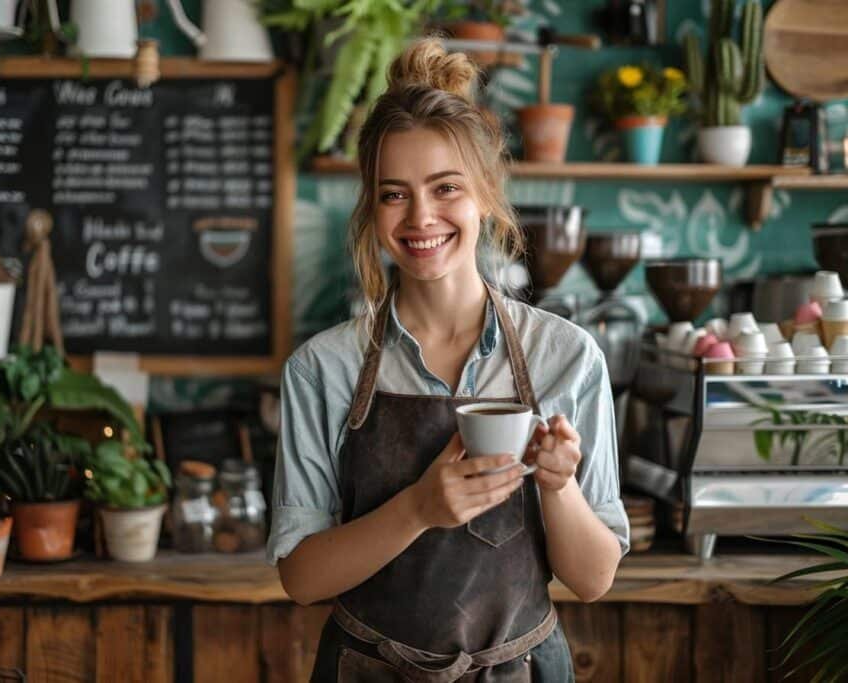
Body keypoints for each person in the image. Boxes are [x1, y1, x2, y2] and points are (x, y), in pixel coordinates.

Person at [266, 37, 630, 682]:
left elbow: (593, 577)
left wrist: (557, 484)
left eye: (446, 187)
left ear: (486, 194)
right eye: (394, 194)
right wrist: (417, 510)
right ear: (371, 208)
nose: (421, 217)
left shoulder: (564, 356)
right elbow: (301, 577)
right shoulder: (323, 369)